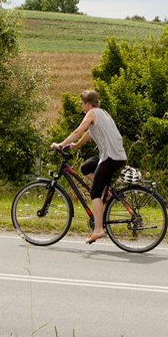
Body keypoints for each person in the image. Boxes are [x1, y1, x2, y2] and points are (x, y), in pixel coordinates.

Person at [50, 90, 127, 244]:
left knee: (94, 192)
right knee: (86, 168)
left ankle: (98, 229)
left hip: (110, 157)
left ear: (87, 103)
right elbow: (91, 133)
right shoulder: (102, 112)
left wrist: (60, 145)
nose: (81, 107)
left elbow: (78, 131)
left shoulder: (91, 113)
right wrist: (76, 145)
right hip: (116, 155)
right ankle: (107, 194)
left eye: (82, 104)